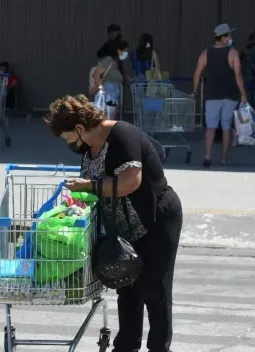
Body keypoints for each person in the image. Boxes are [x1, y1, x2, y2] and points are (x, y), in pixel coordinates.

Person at [45, 94, 182, 352]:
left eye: (68, 138)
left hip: (157, 217)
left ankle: (159, 347)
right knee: (127, 284)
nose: (69, 144)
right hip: (123, 228)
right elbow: (91, 190)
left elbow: (132, 181)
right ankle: (126, 346)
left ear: (79, 128)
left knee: (155, 285)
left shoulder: (122, 136)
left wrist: (89, 185)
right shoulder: (88, 149)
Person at [192, 23, 247, 167]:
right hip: (230, 95)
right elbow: (238, 74)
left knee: (210, 127)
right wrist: (243, 93)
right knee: (226, 126)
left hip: (212, 95)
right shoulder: (232, 53)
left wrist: (195, 90)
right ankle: (223, 158)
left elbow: (197, 73)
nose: (231, 38)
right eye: (229, 35)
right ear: (223, 38)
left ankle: (208, 156)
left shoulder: (205, 53)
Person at [93, 39, 129, 120]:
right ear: (119, 50)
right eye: (125, 51)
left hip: (115, 95)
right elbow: (96, 74)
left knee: (111, 120)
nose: (126, 54)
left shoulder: (117, 63)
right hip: (108, 93)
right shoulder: (109, 60)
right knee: (106, 120)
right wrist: (100, 87)